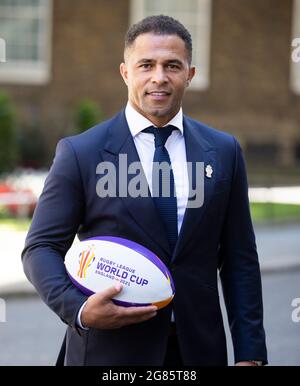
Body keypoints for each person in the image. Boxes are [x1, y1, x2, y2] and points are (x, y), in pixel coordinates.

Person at [22, 15, 267, 366]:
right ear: (125, 72)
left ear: (190, 74)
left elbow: (240, 258)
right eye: (146, 65)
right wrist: (78, 309)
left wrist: (251, 353)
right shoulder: (82, 153)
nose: (159, 77)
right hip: (110, 351)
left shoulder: (224, 151)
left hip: (198, 351)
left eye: (172, 65)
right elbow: (40, 247)